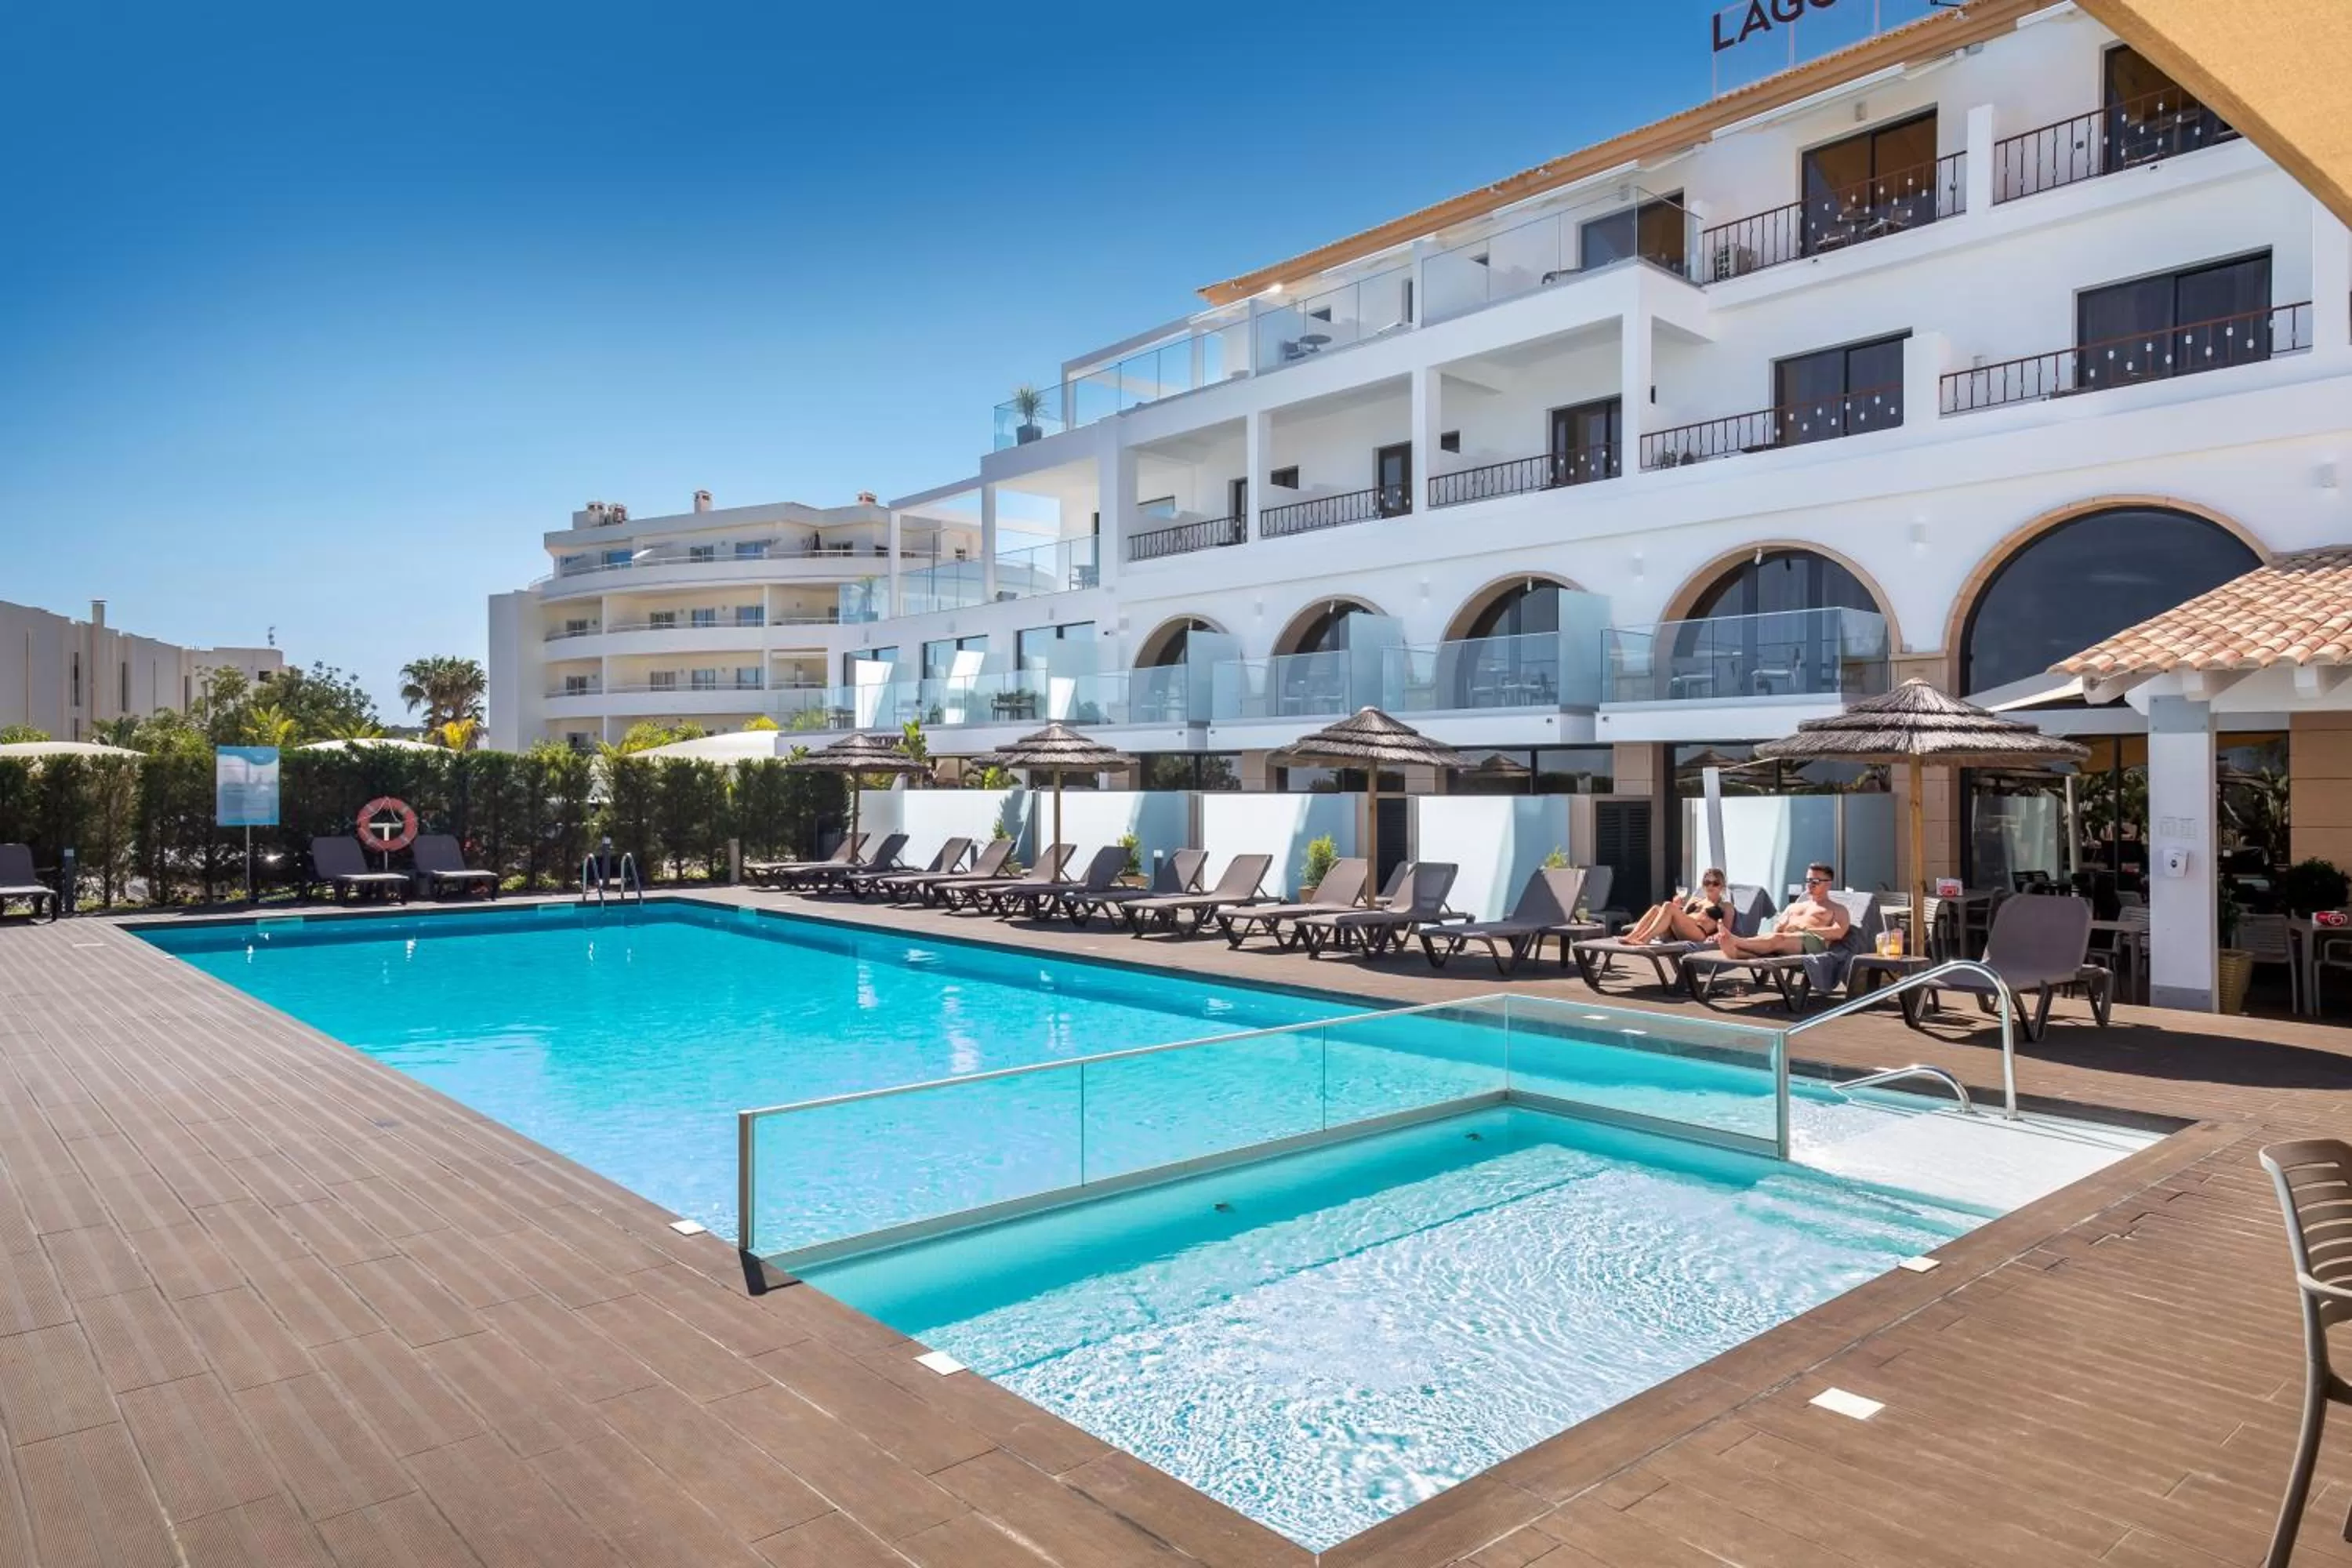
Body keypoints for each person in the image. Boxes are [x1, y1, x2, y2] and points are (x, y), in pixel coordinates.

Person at [1713, 862, 1849, 958]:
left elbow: (1838, 932)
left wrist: (1804, 930)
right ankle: (1737, 953)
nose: (1810, 884)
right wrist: (1781, 926)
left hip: (1813, 943)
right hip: (1787, 939)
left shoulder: (1837, 909)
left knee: (1778, 939)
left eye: (1815, 881)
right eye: (1808, 880)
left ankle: (1736, 941)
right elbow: (1777, 929)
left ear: (1828, 883)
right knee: (1768, 939)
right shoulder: (1794, 906)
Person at [1624, 869, 1731, 946]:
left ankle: (1644, 938)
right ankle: (1632, 936)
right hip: (1679, 931)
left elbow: (1727, 929)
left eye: (1715, 883)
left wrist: (1716, 936)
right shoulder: (1696, 900)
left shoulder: (1725, 906)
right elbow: (1682, 915)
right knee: (1656, 908)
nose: (1710, 886)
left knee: (1667, 905)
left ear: (1722, 886)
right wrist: (1678, 907)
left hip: (1698, 932)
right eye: (1707, 882)